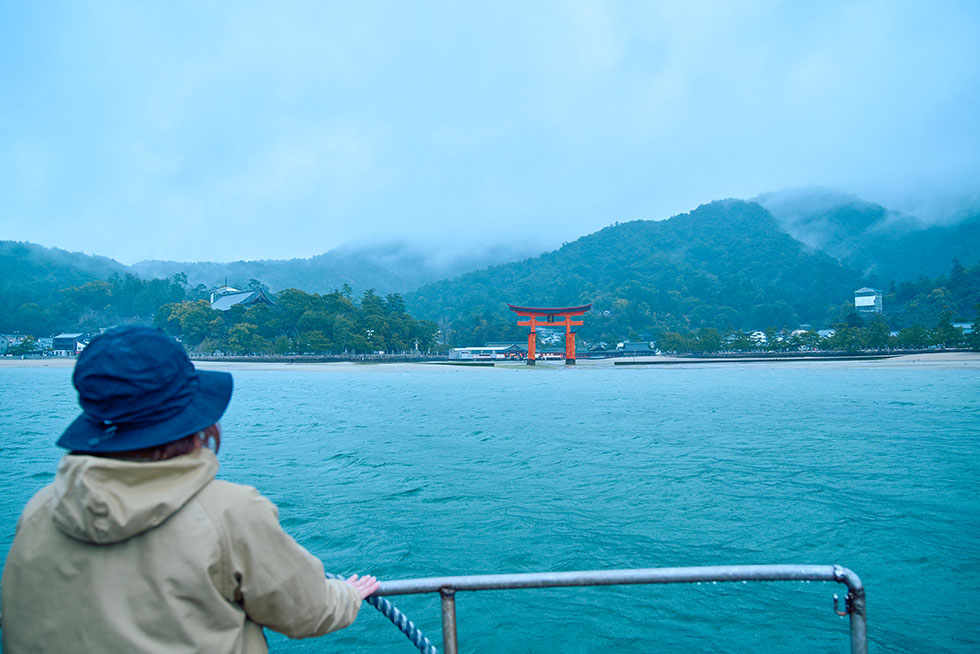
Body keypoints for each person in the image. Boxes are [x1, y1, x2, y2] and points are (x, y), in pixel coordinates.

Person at [1, 325, 379, 653]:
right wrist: (347, 594)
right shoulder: (231, 512)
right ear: (194, 418)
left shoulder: (41, 507)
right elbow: (307, 612)